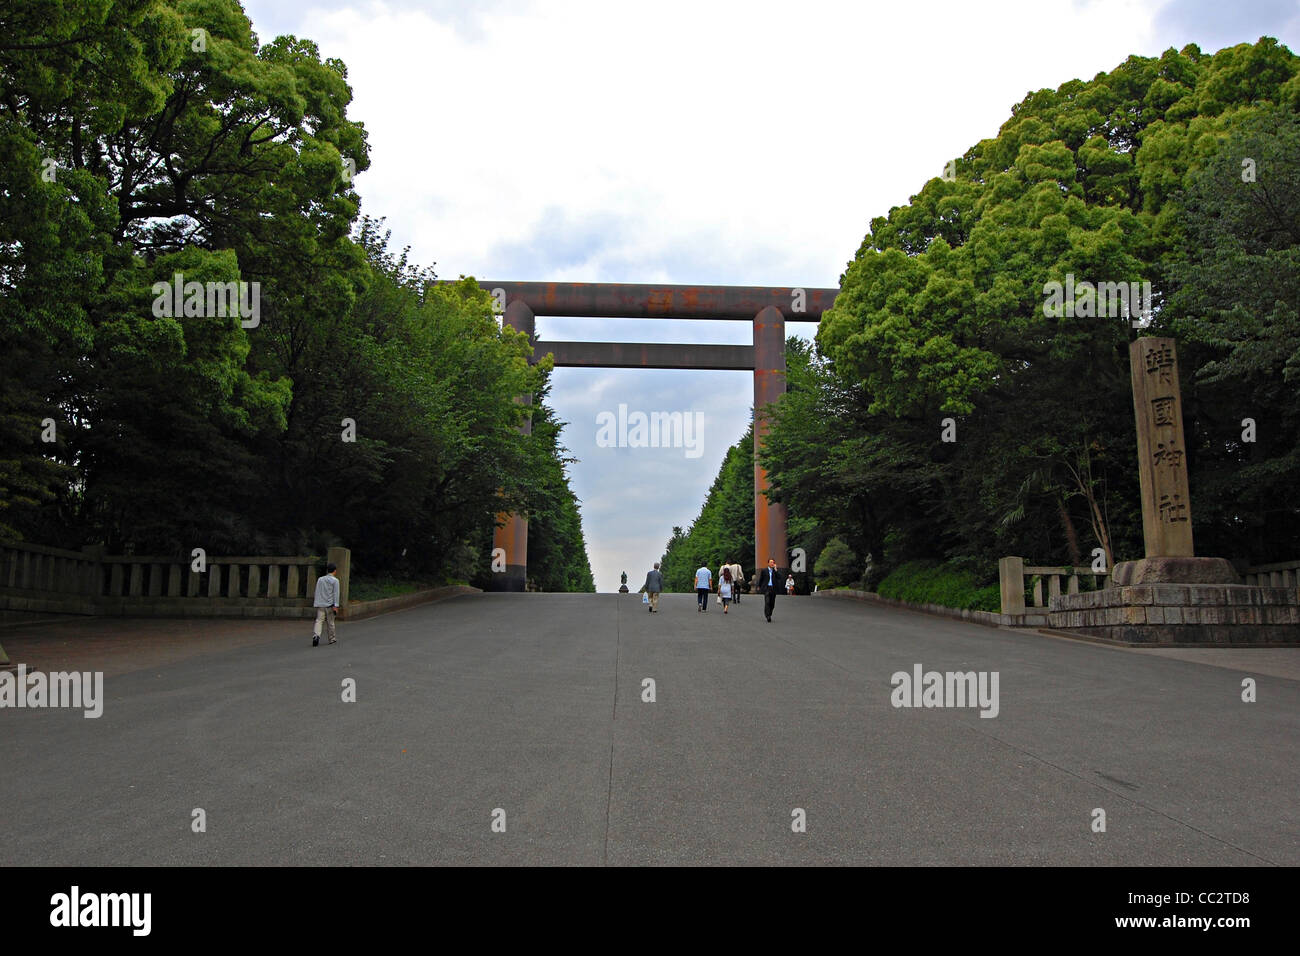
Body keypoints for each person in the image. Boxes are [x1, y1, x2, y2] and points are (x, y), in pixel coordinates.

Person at [312, 562, 341, 646]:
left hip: (320, 604)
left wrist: (316, 602)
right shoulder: (335, 581)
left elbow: (317, 591)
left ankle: (316, 635)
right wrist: (336, 605)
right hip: (330, 605)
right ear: (335, 571)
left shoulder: (320, 579)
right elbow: (336, 593)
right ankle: (332, 638)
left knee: (319, 621)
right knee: (330, 622)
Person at [758, 557, 782, 623]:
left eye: (773, 562)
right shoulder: (764, 570)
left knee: (772, 603)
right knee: (767, 602)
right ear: (768, 563)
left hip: (773, 588)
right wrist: (759, 586)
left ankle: (770, 613)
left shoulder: (775, 571)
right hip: (767, 588)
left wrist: (776, 569)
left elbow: (779, 577)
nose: (772, 563)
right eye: (771, 562)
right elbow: (761, 579)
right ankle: (768, 616)